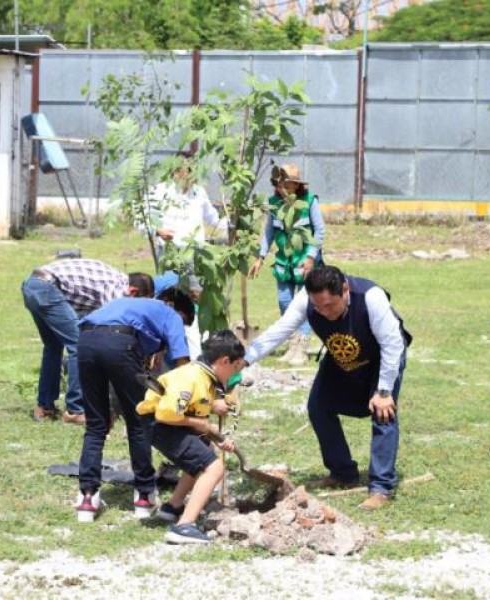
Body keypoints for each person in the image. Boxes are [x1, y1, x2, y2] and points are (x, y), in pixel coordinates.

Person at [243, 265, 411, 511]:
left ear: (344, 290)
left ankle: (381, 486)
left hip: (382, 359)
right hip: (341, 357)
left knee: (382, 413)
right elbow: (280, 331)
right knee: (319, 406)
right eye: (318, 307)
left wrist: (384, 391)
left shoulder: (370, 297)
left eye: (330, 306)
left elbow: (392, 345)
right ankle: (342, 472)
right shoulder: (307, 299)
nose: (323, 312)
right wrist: (245, 359)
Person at [74, 291, 195, 523]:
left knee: (96, 424)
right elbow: (182, 364)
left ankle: (87, 498)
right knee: (139, 421)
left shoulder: (132, 305)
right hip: (120, 343)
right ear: (177, 308)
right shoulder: (171, 314)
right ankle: (144, 494)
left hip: (86, 342)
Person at [136, 330, 245, 544]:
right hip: (160, 425)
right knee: (214, 468)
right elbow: (167, 414)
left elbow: (197, 411)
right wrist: (203, 424)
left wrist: (218, 436)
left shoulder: (204, 376)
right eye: (235, 368)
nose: (233, 374)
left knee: (204, 452)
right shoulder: (191, 377)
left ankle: (173, 506)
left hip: (169, 424)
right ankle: (184, 527)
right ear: (224, 361)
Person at [22, 259, 154, 425]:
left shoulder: (113, 280)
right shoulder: (116, 288)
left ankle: (44, 407)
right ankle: (76, 410)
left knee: (53, 347)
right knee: (78, 347)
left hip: (33, 285)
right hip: (47, 288)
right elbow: (113, 325)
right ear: (133, 292)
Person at [248, 163, 325, 365]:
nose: (285, 187)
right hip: (284, 261)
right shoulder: (274, 203)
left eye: (289, 183)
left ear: (296, 185)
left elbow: (319, 231)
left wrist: (310, 257)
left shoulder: (309, 202)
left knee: (307, 302)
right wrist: (260, 257)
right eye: (281, 183)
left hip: (305, 261)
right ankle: (291, 343)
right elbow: (269, 233)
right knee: (284, 301)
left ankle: (301, 346)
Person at [149, 151, 227, 263]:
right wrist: (158, 231)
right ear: (175, 171)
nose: (191, 173)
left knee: (195, 281)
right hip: (169, 255)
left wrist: (233, 225)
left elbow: (214, 219)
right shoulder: (159, 191)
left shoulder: (199, 192)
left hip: (195, 254)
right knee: (169, 281)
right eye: (187, 169)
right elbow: (142, 218)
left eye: (193, 169)